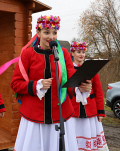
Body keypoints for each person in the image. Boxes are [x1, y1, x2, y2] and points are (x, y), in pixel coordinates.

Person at [10, 15, 92, 151]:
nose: (51, 37)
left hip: (60, 114)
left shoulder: (63, 53)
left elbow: (70, 81)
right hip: (34, 117)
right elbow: (15, 84)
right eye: (46, 32)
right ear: (38, 33)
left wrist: (81, 88)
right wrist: (36, 85)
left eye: (54, 33)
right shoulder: (28, 54)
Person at [70, 42, 109, 151]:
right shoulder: (68, 69)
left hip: (90, 111)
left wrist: (101, 111)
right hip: (74, 112)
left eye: (83, 52)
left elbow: (98, 91)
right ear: (72, 53)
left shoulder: (91, 69)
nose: (81, 54)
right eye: (78, 52)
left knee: (89, 138)